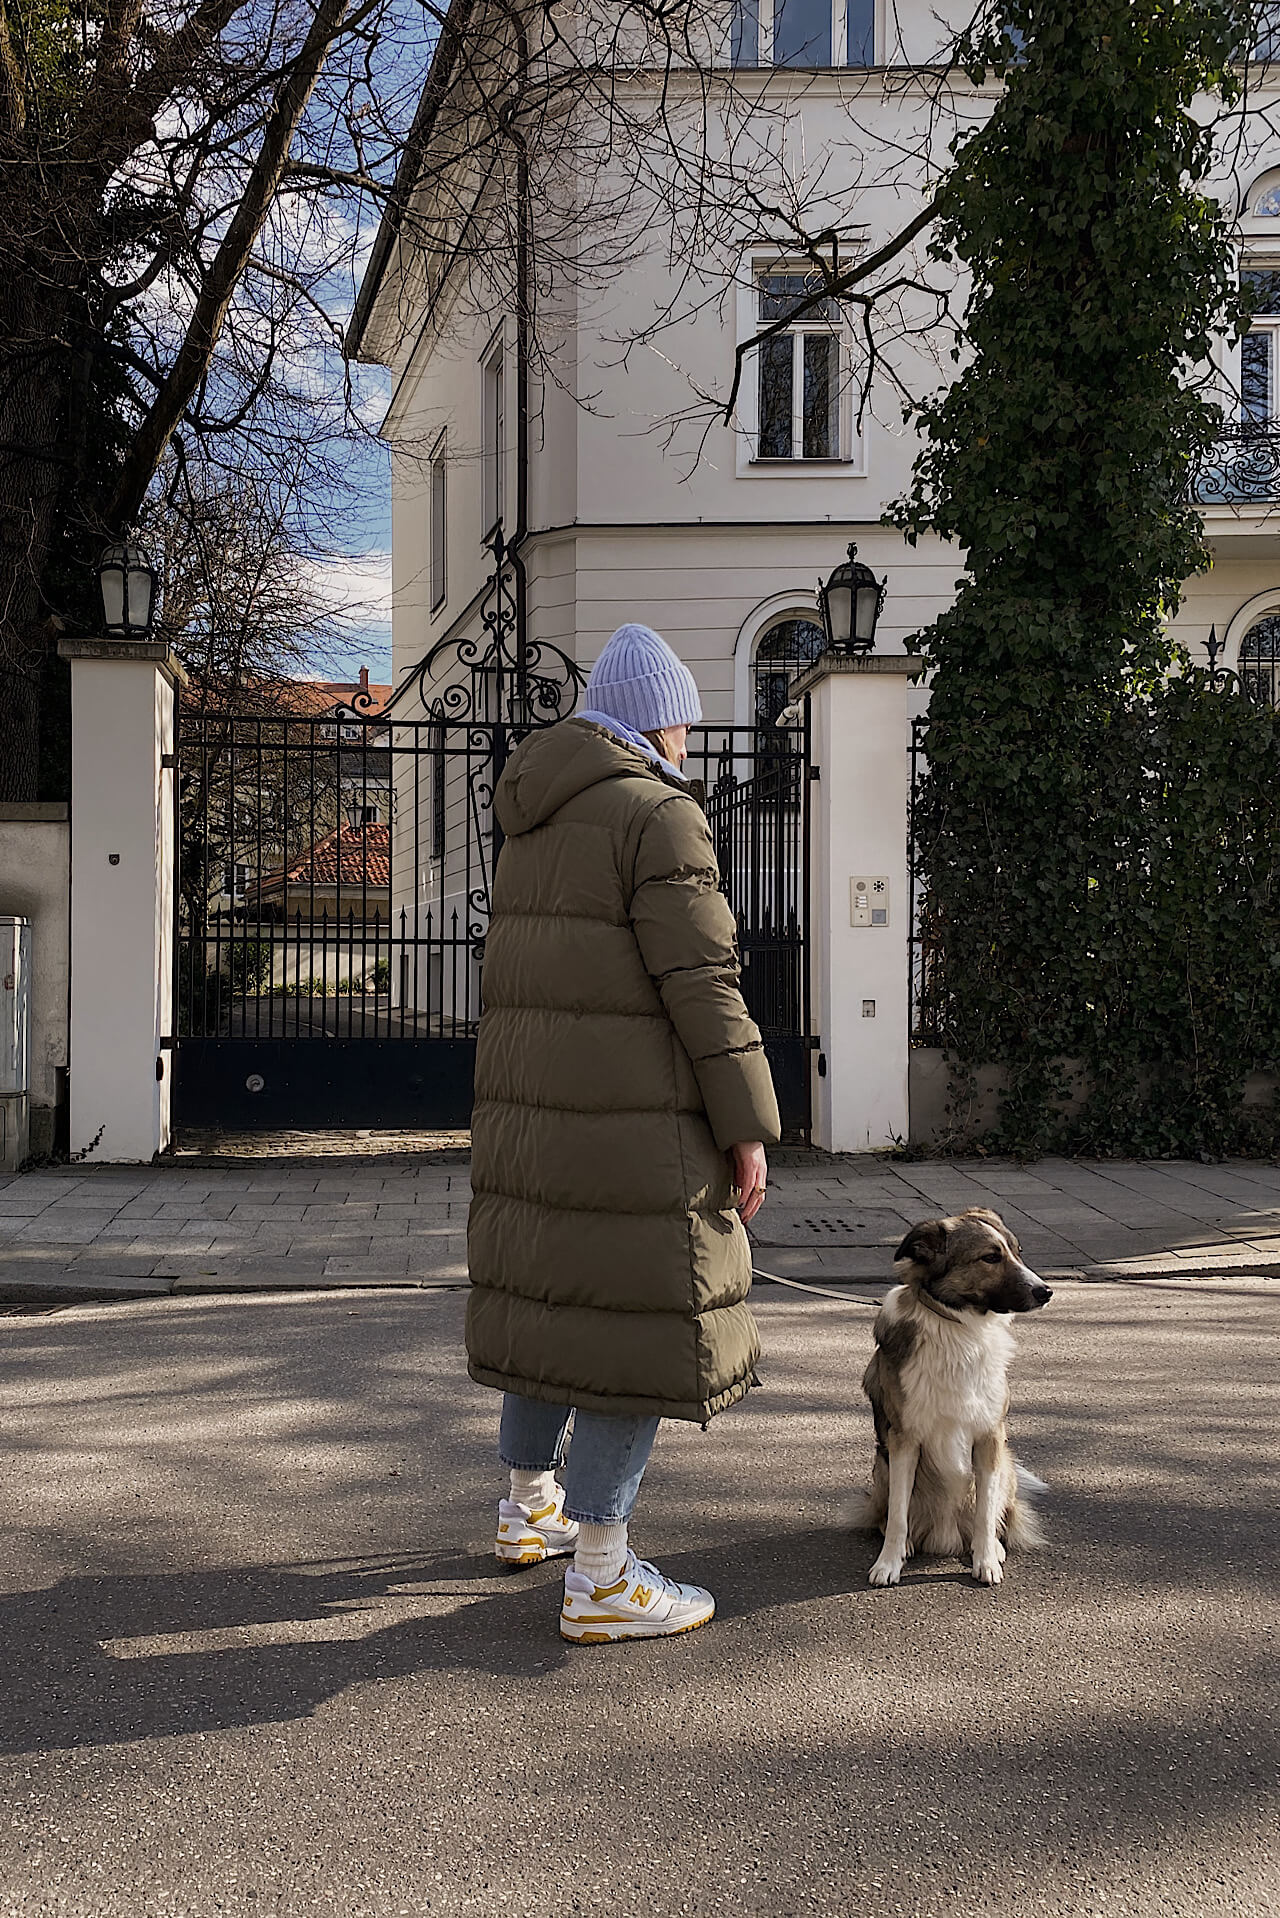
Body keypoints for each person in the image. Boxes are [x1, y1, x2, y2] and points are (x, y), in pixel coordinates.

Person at [465, 621, 781, 1644]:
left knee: (551, 1304)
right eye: (684, 718)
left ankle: (527, 1508)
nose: (689, 738)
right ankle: (600, 1574)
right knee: (631, 1326)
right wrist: (747, 1128)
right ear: (660, 720)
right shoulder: (657, 816)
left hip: (533, 1118)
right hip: (633, 1120)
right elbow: (702, 984)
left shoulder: (533, 817)